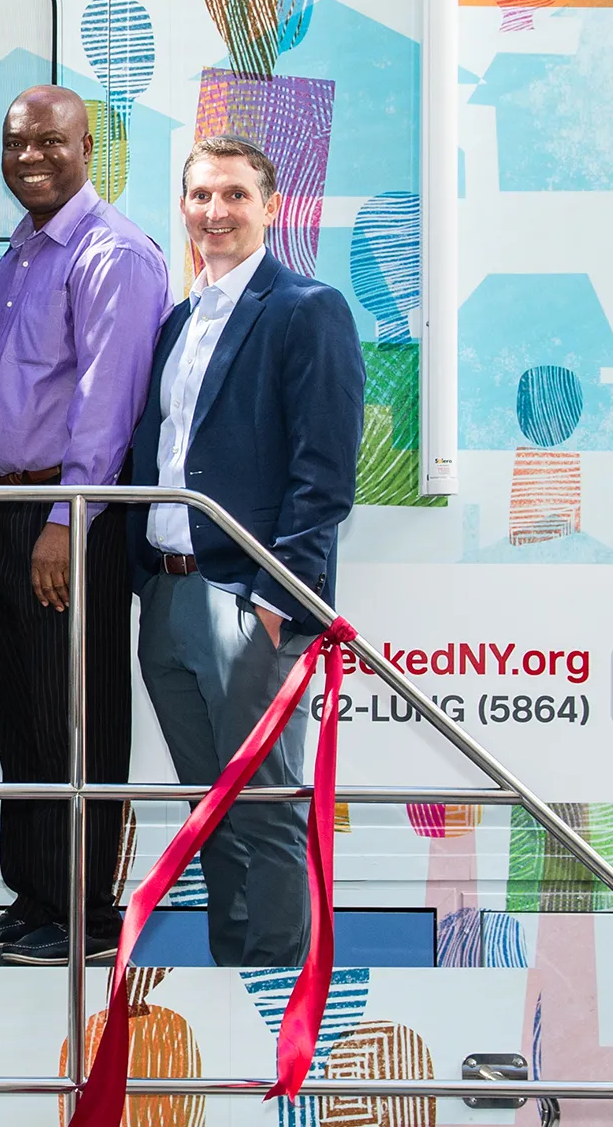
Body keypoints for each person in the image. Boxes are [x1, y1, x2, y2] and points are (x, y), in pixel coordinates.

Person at [130, 135, 364, 967]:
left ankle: (271, 1004)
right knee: (209, 808)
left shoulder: (307, 308)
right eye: (200, 196)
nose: (215, 212)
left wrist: (279, 602)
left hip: (246, 600)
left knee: (263, 811)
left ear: (270, 207)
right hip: (165, 596)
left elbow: (325, 472)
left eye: (234, 195)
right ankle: (229, 986)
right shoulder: (178, 321)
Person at [0, 85, 170, 965]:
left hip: (62, 517)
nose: (31, 157)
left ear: (89, 145)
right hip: (1, 514)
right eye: (16, 143)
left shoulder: (110, 252)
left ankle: (82, 912)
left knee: (77, 719)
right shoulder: (21, 251)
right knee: (22, 717)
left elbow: (106, 406)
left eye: (50, 141)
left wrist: (64, 520)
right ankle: (34, 894)